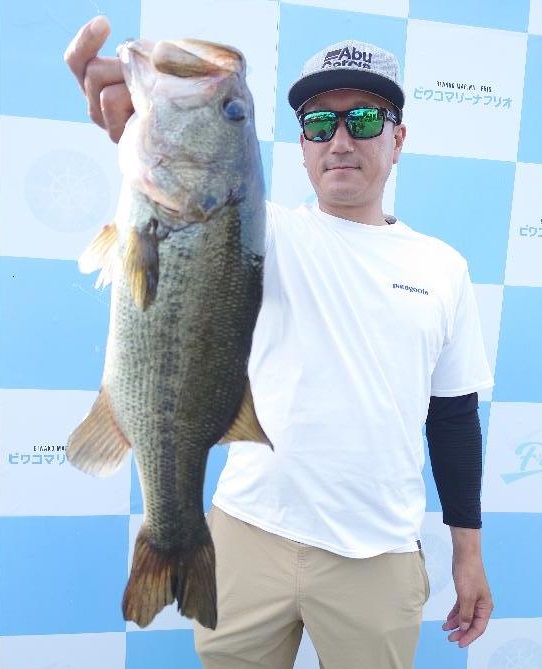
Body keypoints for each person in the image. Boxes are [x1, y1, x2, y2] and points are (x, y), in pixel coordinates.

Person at [65, 16, 494, 669]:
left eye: (364, 120)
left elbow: (455, 417)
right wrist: (141, 118)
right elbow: (187, 198)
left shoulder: (445, 267)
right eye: (320, 124)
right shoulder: (259, 229)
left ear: (399, 138)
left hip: (377, 554)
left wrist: (468, 553)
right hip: (246, 531)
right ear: (302, 146)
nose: (341, 140)